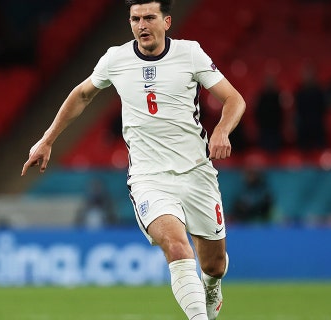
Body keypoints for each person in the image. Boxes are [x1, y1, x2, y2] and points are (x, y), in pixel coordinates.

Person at [21, 1, 245, 319]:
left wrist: (222, 130)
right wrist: (47, 140)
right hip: (149, 178)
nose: (141, 25)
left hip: (197, 173)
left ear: (166, 22)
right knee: (178, 248)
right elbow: (82, 94)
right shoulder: (116, 59)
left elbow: (233, 98)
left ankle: (210, 286)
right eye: (135, 19)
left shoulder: (190, 53)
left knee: (214, 265)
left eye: (149, 18)